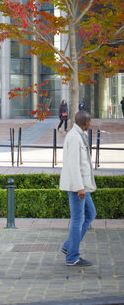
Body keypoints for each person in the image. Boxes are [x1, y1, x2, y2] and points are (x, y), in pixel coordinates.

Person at [59, 110, 96, 267]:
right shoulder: (75, 138)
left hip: (82, 185)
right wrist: (80, 187)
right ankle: (72, 256)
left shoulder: (80, 135)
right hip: (77, 186)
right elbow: (74, 165)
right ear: (85, 122)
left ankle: (69, 246)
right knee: (78, 219)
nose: (91, 123)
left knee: (90, 214)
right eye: (90, 121)